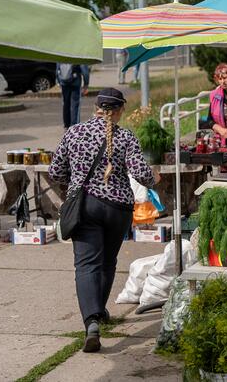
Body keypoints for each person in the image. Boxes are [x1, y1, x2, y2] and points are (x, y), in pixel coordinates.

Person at [49, 88, 159, 352]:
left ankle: (92, 322)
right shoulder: (125, 136)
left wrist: (75, 183)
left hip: (85, 207)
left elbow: (55, 171)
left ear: (96, 107)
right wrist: (154, 178)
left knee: (86, 264)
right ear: (119, 110)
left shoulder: (73, 132)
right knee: (108, 261)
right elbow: (141, 172)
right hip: (117, 209)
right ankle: (101, 310)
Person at [56, 63, 90, 129]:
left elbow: (57, 69)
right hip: (75, 82)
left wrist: (59, 81)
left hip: (64, 82)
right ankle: (74, 126)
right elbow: (84, 70)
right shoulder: (77, 53)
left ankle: (66, 125)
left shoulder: (63, 53)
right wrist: (86, 84)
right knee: (75, 105)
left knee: (66, 104)